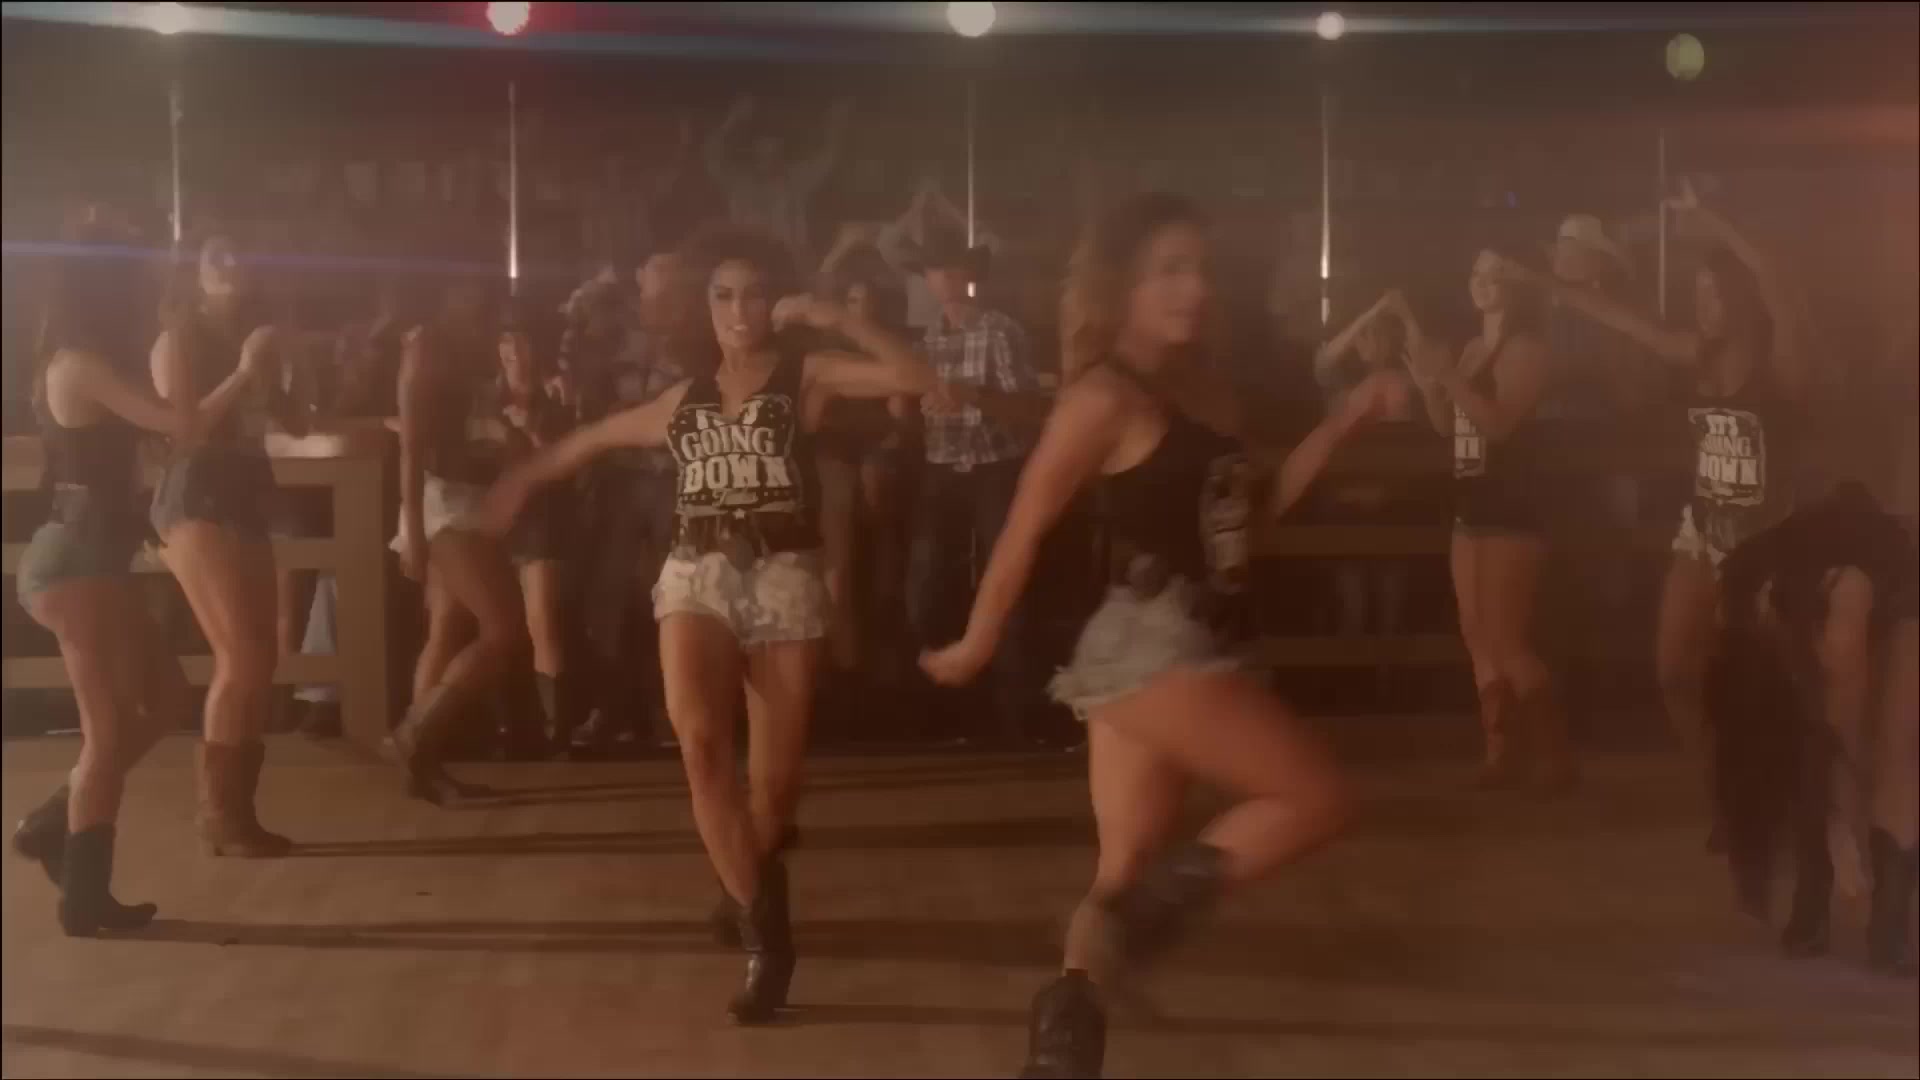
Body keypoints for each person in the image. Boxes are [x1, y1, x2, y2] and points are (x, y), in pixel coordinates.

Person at [921, 193, 1391, 1078]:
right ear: (1122, 287)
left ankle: (1060, 1053)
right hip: (1155, 640)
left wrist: (1343, 424)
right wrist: (976, 645)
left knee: (1123, 869)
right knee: (1318, 800)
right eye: (1168, 270)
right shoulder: (1104, 396)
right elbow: (1024, 527)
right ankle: (1134, 931)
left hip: (1188, 635)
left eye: (1200, 270)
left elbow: (1252, 515)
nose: (1193, 288)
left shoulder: (1207, 389)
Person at [481, 225, 935, 1023]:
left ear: (774, 301)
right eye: (723, 295)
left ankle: (747, 879)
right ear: (706, 305)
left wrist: (829, 314)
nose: (738, 310)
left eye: (753, 294)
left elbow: (914, 376)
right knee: (698, 743)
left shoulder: (804, 377)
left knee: (774, 790)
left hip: (783, 578)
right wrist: (519, 483)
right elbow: (590, 440)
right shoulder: (683, 399)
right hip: (697, 573)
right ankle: (768, 939)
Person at [1523, 181, 1806, 835]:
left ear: (1742, 298)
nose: (1702, 306)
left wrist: (1712, 221)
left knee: (1763, 684)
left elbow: (1777, 281)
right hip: (1703, 530)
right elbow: (1625, 322)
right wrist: (1547, 284)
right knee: (1675, 669)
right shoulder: (1694, 353)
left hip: (1766, 539)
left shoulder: (1782, 362)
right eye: (1696, 294)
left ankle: (1781, 798)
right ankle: (1725, 793)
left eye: (1714, 294)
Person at [11, 228, 272, 933]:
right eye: (136, 280)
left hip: (94, 559)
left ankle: (55, 825)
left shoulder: (84, 362)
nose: (149, 290)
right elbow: (184, 427)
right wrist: (242, 371)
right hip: (74, 564)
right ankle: (83, 896)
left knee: (165, 700)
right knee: (105, 734)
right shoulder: (78, 364)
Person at [1712, 483, 1916, 974]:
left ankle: (1884, 923)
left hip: (1885, 587)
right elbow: (1825, 727)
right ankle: (1825, 897)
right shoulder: (1768, 592)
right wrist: (1841, 827)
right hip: (1805, 591)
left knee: (1893, 746)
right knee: (1820, 741)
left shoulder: (1873, 590)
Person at [1392, 252, 1574, 792]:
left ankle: (1554, 755)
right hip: (1471, 499)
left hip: (1512, 504)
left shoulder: (1526, 349)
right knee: (1477, 636)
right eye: (1476, 273)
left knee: (1507, 638)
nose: (1483, 282)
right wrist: (1431, 387)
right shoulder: (1473, 348)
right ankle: (1500, 753)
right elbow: (1449, 426)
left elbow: (1499, 424)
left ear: (1518, 286)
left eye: (1497, 274)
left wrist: (1447, 375)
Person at [149, 234, 302, 858]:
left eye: (242, 252)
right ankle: (218, 814)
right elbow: (185, 431)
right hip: (196, 492)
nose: (236, 263)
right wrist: (242, 370)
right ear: (193, 272)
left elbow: (298, 423)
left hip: (246, 492)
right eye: (219, 256)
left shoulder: (255, 336)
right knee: (240, 654)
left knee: (261, 657)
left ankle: (237, 811)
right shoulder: (178, 339)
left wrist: (285, 366)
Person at [906, 225, 1051, 746]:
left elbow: (1030, 409)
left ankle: (1015, 717)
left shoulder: (1000, 330)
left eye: (952, 266)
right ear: (926, 278)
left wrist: (971, 395)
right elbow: (911, 404)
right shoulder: (925, 339)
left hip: (995, 465)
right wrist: (908, 405)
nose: (943, 277)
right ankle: (943, 712)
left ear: (970, 272)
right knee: (928, 581)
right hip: (942, 465)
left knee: (1004, 580)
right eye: (934, 268)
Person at [386, 277, 530, 799]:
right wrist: (415, 530)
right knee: (503, 628)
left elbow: (478, 425)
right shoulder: (425, 350)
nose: (482, 302)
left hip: (469, 495)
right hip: (442, 501)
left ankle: (421, 765)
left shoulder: (473, 343)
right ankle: (414, 734)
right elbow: (412, 448)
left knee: (448, 626)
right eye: (472, 291)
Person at [570, 253, 688, 755]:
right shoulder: (612, 337)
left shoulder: (697, 342)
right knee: (609, 597)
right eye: (652, 288)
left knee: (675, 597)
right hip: (620, 480)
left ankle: (670, 708)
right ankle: (611, 706)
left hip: (674, 480)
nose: (658, 298)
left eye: (670, 288)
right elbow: (587, 404)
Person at [497, 301, 578, 754]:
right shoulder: (486, 398)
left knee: (542, 620)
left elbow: (566, 462)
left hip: (542, 520)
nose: (514, 350)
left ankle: (556, 729)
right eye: (506, 340)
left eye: (522, 340)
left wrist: (530, 431)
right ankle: (513, 724)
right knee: (502, 625)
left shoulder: (556, 398)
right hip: (492, 519)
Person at [704, 94, 852, 264]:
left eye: (774, 152)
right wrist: (732, 119)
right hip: (748, 260)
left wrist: (836, 123)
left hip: (788, 262)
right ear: (753, 153)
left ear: (781, 154)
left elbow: (829, 155)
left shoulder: (796, 180)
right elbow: (710, 154)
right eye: (762, 152)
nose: (768, 159)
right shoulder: (738, 182)